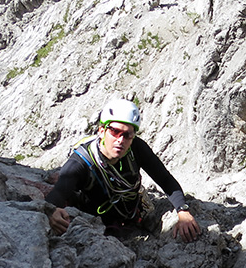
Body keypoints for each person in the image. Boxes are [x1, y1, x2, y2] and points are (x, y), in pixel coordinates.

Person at [45, 98, 201, 241]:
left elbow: (165, 180)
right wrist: (52, 210)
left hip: (133, 213)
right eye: (114, 131)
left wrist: (183, 211)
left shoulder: (136, 148)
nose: (120, 140)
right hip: (96, 223)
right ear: (101, 131)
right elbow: (59, 192)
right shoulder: (81, 162)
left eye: (127, 135)